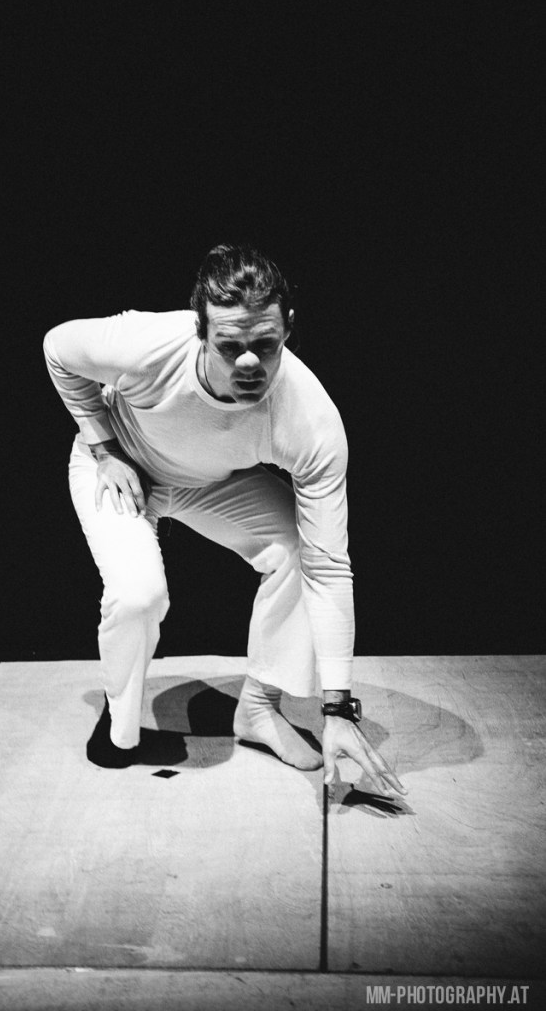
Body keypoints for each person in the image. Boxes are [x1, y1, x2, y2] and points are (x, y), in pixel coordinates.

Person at [44, 243, 406, 797]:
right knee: (139, 595)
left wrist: (337, 710)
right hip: (123, 468)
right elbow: (57, 348)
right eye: (230, 346)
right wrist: (104, 446)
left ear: (288, 328)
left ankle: (258, 708)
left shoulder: (310, 419)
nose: (248, 364)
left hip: (208, 484)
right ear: (200, 331)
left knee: (297, 551)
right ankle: (119, 727)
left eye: (265, 345)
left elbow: (330, 566)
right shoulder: (148, 344)